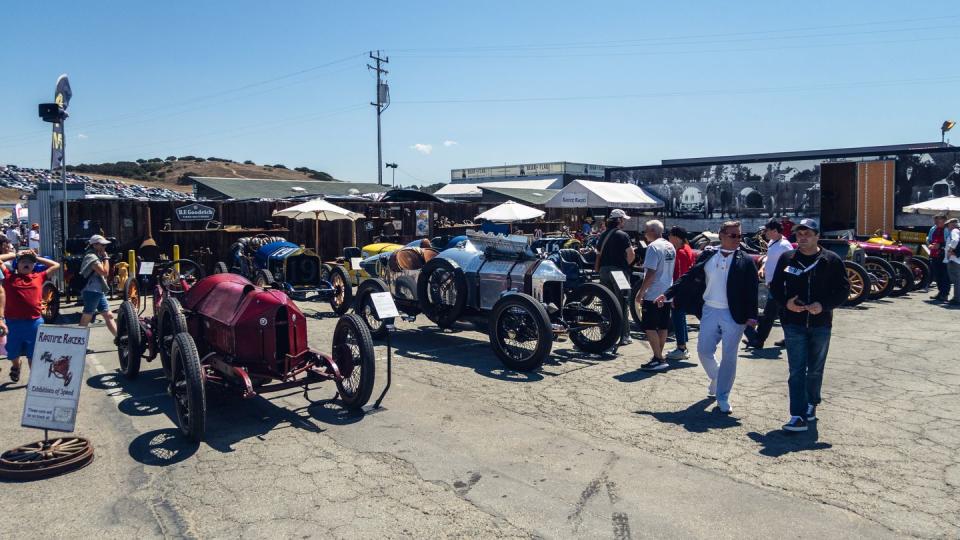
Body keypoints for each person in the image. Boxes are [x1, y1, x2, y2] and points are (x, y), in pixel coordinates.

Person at [655, 221, 758, 413]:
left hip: (734, 314)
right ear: (722, 235)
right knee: (703, 351)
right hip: (709, 309)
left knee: (729, 356)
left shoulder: (746, 260)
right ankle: (718, 378)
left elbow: (752, 290)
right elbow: (688, 276)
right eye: (733, 235)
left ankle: (722, 396)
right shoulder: (709, 254)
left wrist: (752, 316)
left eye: (740, 236)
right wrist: (669, 293)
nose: (738, 239)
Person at [769, 218, 850, 432]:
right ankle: (797, 415)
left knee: (814, 369)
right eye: (799, 234)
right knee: (796, 370)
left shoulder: (831, 260)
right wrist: (786, 303)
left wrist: (823, 305)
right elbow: (775, 286)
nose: (802, 238)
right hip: (793, 324)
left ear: (816, 236)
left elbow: (843, 290)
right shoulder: (788, 258)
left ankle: (811, 403)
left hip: (821, 324)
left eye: (807, 234)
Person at [0, 249, 58, 383]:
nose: (26, 264)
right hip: (13, 323)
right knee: (12, 352)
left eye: (30, 263)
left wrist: (36, 258)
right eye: (23, 262)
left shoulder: (39, 276)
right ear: (17, 264)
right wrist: (16, 255)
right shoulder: (9, 276)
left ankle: (35, 381)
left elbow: (56, 265)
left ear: (34, 265)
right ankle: (16, 365)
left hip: (35, 323)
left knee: (34, 353)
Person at [744, 219, 793, 349]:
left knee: (768, 314)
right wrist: (763, 267)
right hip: (773, 283)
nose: (765, 233)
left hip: (779, 286)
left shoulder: (785, 246)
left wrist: (779, 282)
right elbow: (769, 257)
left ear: (775, 231)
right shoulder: (772, 242)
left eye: (767, 230)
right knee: (782, 315)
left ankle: (758, 340)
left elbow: (788, 265)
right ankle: (790, 338)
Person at [635, 220, 676, 370]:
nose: (644, 234)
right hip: (666, 291)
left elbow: (651, 273)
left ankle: (659, 358)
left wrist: (641, 292)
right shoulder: (670, 245)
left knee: (650, 326)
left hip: (654, 292)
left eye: (646, 231)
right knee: (663, 325)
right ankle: (658, 355)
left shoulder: (653, 247)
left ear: (653, 231)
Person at [595, 209, 635, 346]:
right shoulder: (622, 235)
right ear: (619, 220)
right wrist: (625, 266)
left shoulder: (603, 235)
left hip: (604, 271)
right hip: (619, 272)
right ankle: (624, 336)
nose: (624, 222)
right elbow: (631, 255)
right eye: (623, 220)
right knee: (623, 303)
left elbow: (598, 253)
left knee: (607, 302)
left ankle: (606, 333)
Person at [78, 235, 118, 337]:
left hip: (98, 290)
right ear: (95, 245)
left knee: (108, 315)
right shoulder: (91, 257)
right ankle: (77, 343)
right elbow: (105, 272)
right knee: (87, 317)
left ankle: (120, 340)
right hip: (92, 290)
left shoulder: (96, 256)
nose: (105, 246)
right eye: (102, 244)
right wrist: (106, 258)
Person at [665, 226, 695, 361]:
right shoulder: (687, 249)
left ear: (676, 237)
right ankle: (682, 346)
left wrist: (674, 294)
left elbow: (680, 275)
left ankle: (681, 348)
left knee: (678, 318)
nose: (668, 238)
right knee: (681, 318)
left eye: (670, 235)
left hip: (680, 290)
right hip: (687, 289)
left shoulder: (680, 252)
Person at [928, 215, 951, 301]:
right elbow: (929, 239)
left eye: (938, 221)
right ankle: (940, 292)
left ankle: (945, 294)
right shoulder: (933, 228)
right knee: (937, 275)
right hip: (934, 254)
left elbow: (951, 242)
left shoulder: (948, 230)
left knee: (945, 275)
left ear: (944, 221)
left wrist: (940, 246)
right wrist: (929, 244)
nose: (936, 222)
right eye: (935, 220)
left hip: (944, 256)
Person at [945, 218, 960, 306]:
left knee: (956, 280)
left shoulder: (955, 230)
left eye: (948, 225)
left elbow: (955, 240)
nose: (947, 227)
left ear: (952, 224)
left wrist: (950, 250)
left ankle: (957, 298)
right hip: (957, 259)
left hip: (955, 259)